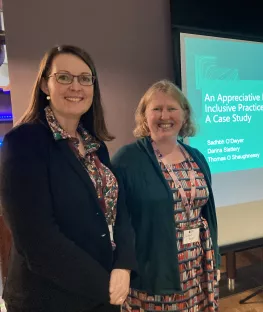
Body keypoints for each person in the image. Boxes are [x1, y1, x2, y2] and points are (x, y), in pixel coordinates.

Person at [0, 45, 136, 312]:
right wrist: (106, 285)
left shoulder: (96, 145)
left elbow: (119, 212)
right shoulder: (24, 143)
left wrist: (124, 264)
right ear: (44, 86)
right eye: (64, 77)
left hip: (102, 291)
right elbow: (38, 242)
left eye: (85, 78)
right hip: (50, 298)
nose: (76, 86)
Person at [112, 79, 220, 311]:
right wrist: (122, 266)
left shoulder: (196, 156)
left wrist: (215, 259)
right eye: (157, 109)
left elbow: (207, 213)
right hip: (155, 269)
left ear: (184, 115)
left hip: (198, 267)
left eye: (172, 108)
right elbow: (118, 220)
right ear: (144, 115)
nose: (165, 116)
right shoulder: (127, 160)